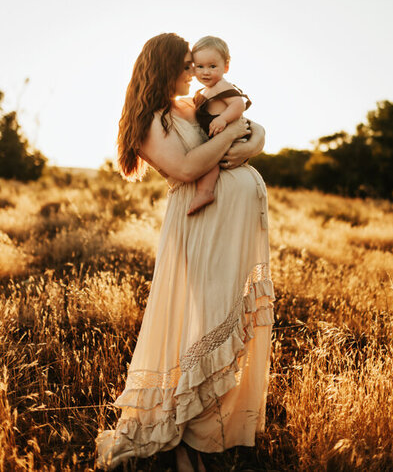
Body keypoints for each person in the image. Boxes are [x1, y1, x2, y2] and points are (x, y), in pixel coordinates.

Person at [96, 33, 275, 472]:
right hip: (199, 225)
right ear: (165, 67)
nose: (191, 71)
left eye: (195, 64)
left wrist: (244, 131)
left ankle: (206, 430)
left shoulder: (188, 107)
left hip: (232, 225)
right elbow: (189, 168)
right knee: (200, 322)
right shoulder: (149, 121)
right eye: (185, 64)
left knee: (223, 316)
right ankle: (179, 432)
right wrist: (234, 131)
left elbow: (254, 135)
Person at [187, 35, 252, 215]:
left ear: (226, 67)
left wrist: (223, 118)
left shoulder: (222, 85)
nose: (205, 72)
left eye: (212, 66)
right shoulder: (204, 91)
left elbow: (238, 104)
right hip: (217, 136)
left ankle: (205, 193)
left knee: (210, 162)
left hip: (227, 138)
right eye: (200, 66)